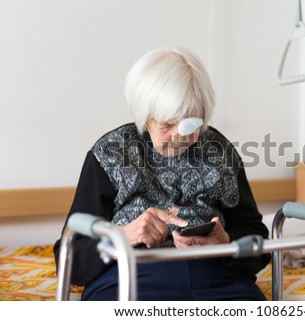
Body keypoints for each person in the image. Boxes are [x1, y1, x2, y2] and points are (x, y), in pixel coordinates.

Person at [53, 47, 271, 301]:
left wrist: (226, 244)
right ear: (145, 116)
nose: (179, 137)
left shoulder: (219, 150)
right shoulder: (111, 153)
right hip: (131, 279)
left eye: (190, 124)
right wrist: (124, 236)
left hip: (217, 278)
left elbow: (258, 241)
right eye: (167, 125)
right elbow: (70, 259)